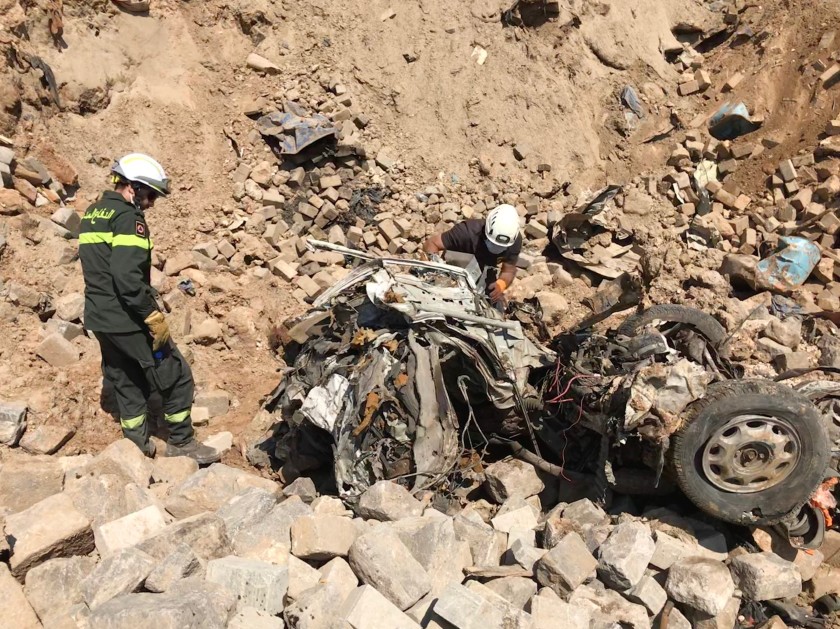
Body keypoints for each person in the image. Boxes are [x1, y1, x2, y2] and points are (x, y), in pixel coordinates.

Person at [78, 153, 220, 464]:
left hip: (100, 318)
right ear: (133, 187)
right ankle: (182, 442)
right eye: (150, 194)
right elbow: (127, 278)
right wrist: (151, 316)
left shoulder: (93, 212)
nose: (152, 203)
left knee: (127, 379)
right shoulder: (128, 218)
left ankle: (136, 450)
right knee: (175, 375)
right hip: (128, 319)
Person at [423, 204, 522, 303]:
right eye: (493, 243)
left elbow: (508, 271)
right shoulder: (466, 232)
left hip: (483, 275)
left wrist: (501, 284)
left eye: (501, 247)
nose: (496, 249)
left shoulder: (514, 242)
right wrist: (434, 271)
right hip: (453, 269)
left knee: (496, 309)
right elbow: (432, 243)